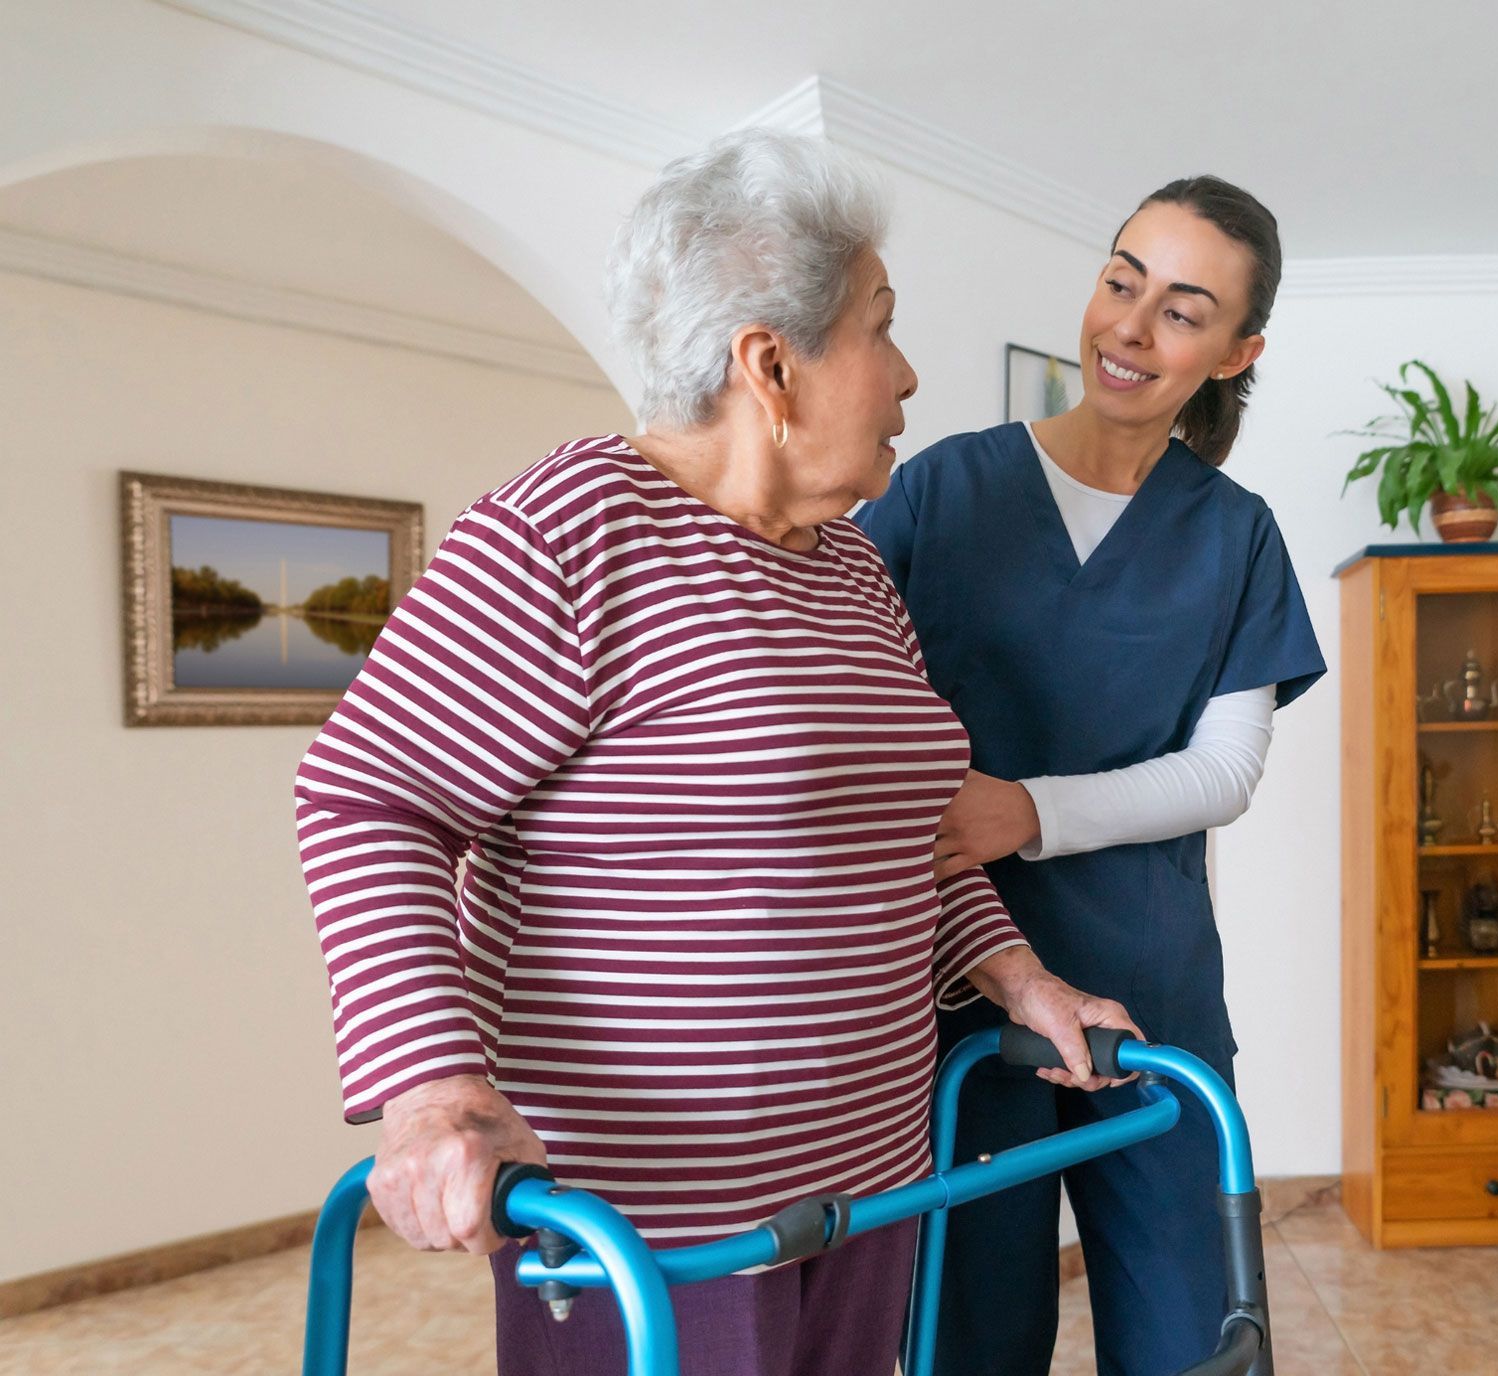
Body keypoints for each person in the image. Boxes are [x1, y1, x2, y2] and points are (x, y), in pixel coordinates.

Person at [292, 129, 1136, 1376]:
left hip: (873, 1176)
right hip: (659, 1215)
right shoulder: (565, 530)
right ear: (771, 362)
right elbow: (368, 796)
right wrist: (432, 1088)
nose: (907, 376)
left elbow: (904, 833)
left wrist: (1022, 979)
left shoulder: (854, 569)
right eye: (880, 325)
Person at [854, 174, 1326, 1376]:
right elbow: (847, 699)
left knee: (1193, 1328)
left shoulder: (1236, 533)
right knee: (971, 1332)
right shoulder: (939, 490)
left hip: (1150, 978)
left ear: (1236, 351)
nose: (1130, 325)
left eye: (1183, 308)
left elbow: (1227, 769)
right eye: (1123, 279)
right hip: (956, 979)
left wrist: (1027, 810)